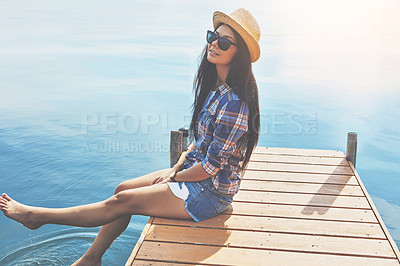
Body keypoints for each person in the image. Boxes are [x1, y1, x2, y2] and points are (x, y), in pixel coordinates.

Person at [0, 8, 261, 265]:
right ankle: (92, 259)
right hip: (194, 175)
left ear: (239, 55)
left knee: (123, 202)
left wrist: (174, 176)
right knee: (123, 189)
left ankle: (37, 216)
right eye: (212, 36)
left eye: (224, 42)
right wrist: (179, 164)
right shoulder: (215, 88)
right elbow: (200, 143)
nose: (214, 44)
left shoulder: (234, 103)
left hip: (209, 193)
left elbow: (211, 166)